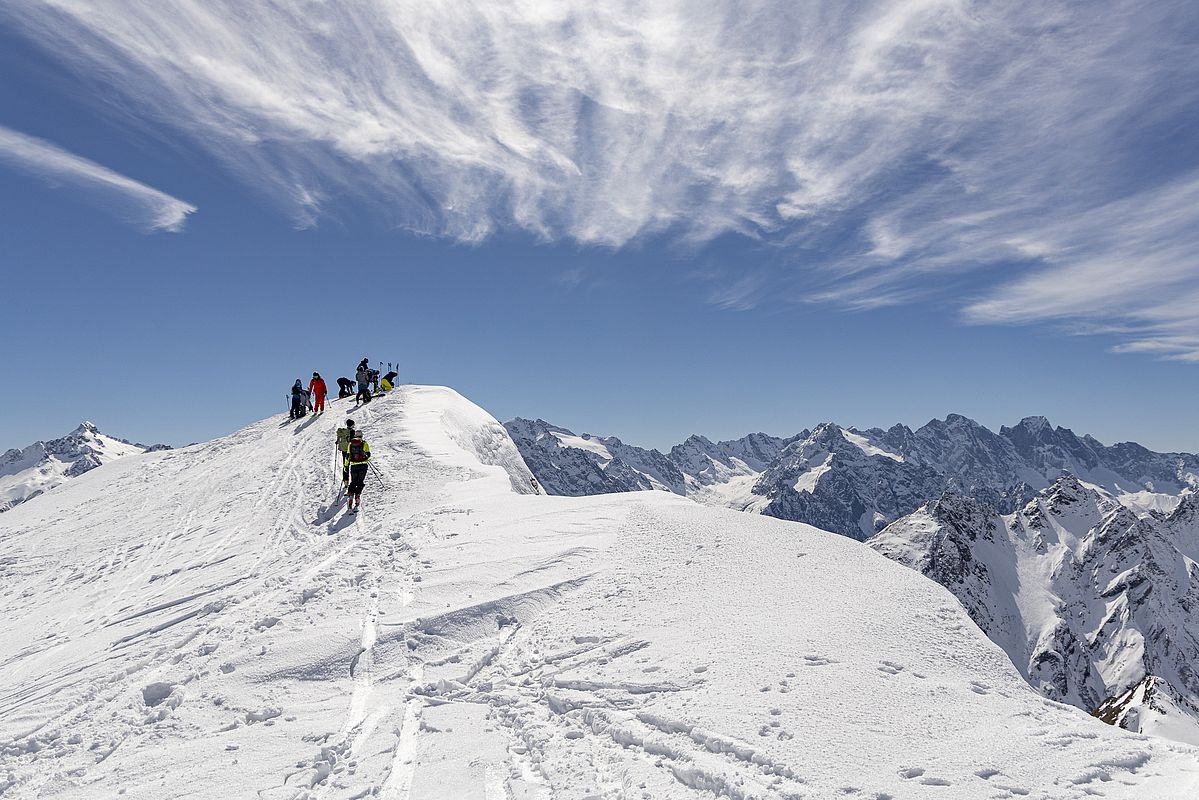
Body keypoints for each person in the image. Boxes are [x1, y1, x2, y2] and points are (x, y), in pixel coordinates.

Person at [346, 429, 371, 512]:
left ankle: (350, 497)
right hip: (363, 465)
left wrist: (346, 466)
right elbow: (368, 454)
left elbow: (348, 455)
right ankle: (357, 497)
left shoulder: (350, 444)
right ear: (361, 435)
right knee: (360, 482)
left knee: (353, 482)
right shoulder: (364, 443)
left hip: (353, 465)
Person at [335, 419, 355, 488]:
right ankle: (353, 481)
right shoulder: (352, 432)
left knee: (345, 465)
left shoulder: (343, 432)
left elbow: (338, 440)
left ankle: (345, 481)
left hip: (344, 451)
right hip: (351, 451)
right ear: (352, 425)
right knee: (353, 465)